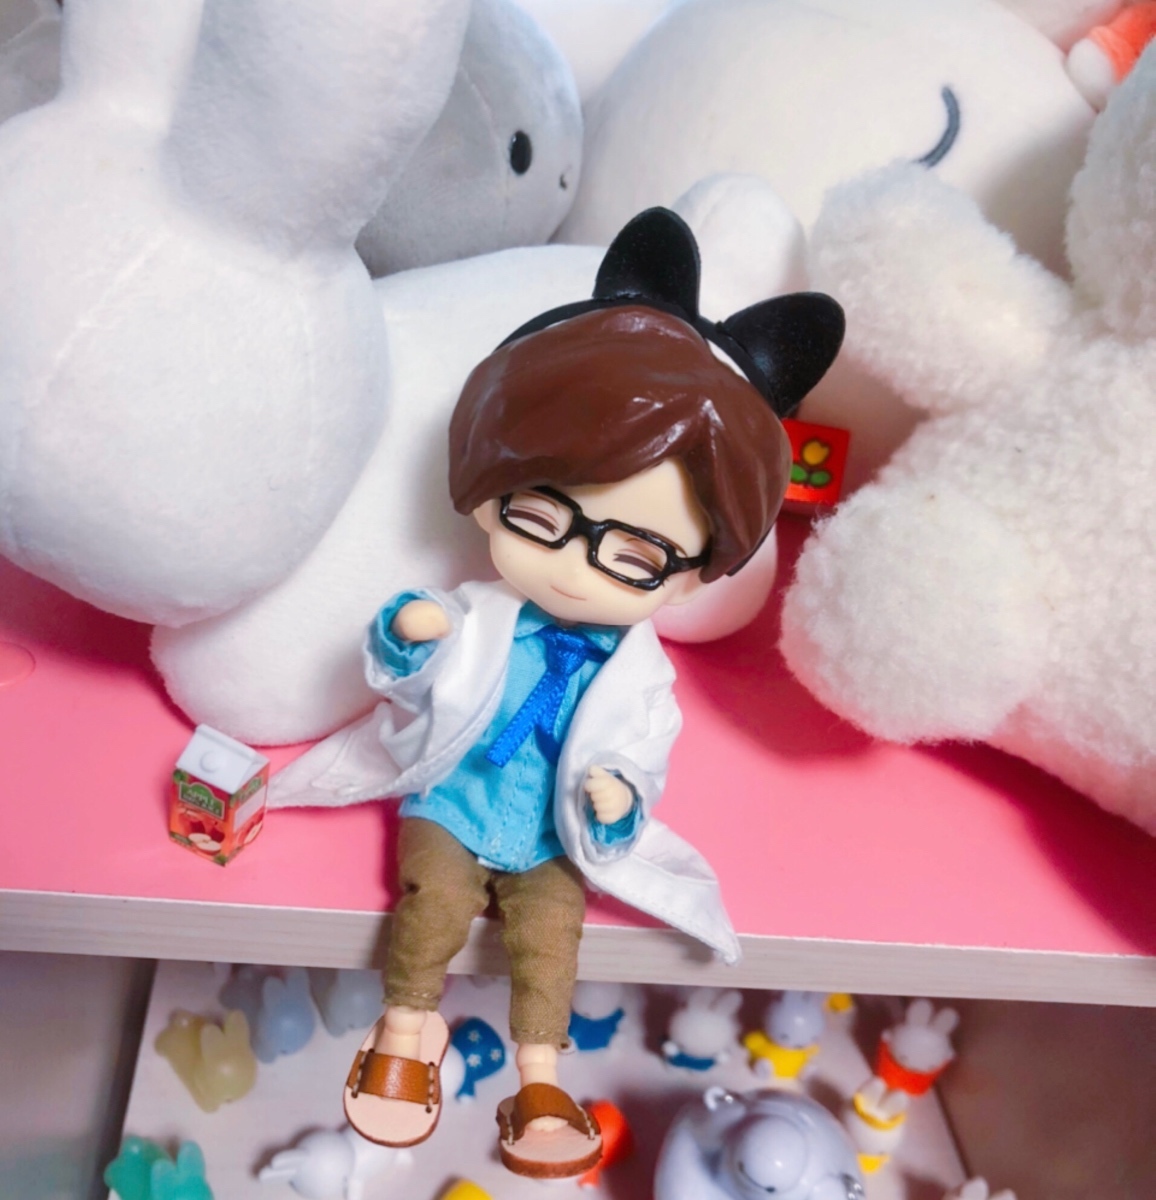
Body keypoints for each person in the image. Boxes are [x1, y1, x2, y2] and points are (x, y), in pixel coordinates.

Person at [272, 208, 844, 1176]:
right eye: (542, 518)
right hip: (454, 804)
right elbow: (425, 680)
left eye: (635, 555)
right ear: (492, 490)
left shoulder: (640, 677)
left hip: (546, 833)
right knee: (430, 902)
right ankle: (404, 1036)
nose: (578, 568)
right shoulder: (483, 612)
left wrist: (618, 795)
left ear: (690, 576)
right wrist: (414, 640)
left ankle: (539, 1081)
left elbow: (640, 749)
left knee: (550, 937)